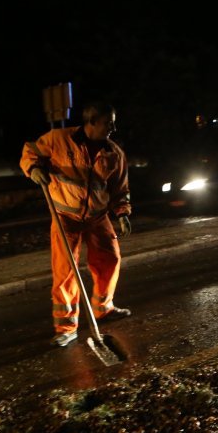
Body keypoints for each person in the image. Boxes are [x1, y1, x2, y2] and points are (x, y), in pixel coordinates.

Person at [20, 102, 132, 347]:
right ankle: (66, 327)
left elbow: (120, 189)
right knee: (65, 270)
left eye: (113, 122)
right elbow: (30, 152)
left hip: (98, 216)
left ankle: (104, 307)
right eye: (108, 122)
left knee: (110, 260)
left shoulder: (114, 153)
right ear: (91, 122)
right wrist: (33, 168)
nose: (113, 127)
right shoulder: (59, 139)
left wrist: (122, 213)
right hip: (65, 216)